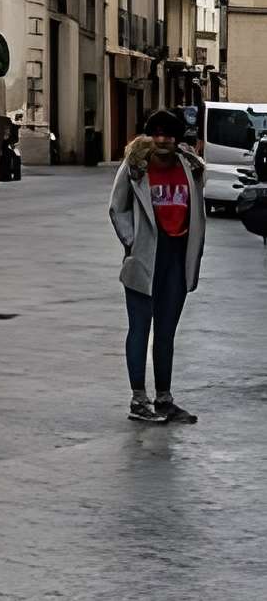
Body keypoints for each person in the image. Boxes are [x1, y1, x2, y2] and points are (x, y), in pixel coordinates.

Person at [109, 107, 204, 425]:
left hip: (177, 257)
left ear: (177, 139)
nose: (162, 140)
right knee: (140, 329)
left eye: (169, 135)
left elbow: (197, 212)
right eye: (156, 134)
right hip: (145, 256)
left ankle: (164, 399)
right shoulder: (135, 167)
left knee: (166, 332)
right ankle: (139, 400)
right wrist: (131, 241)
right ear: (148, 137)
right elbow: (117, 207)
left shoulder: (190, 168)